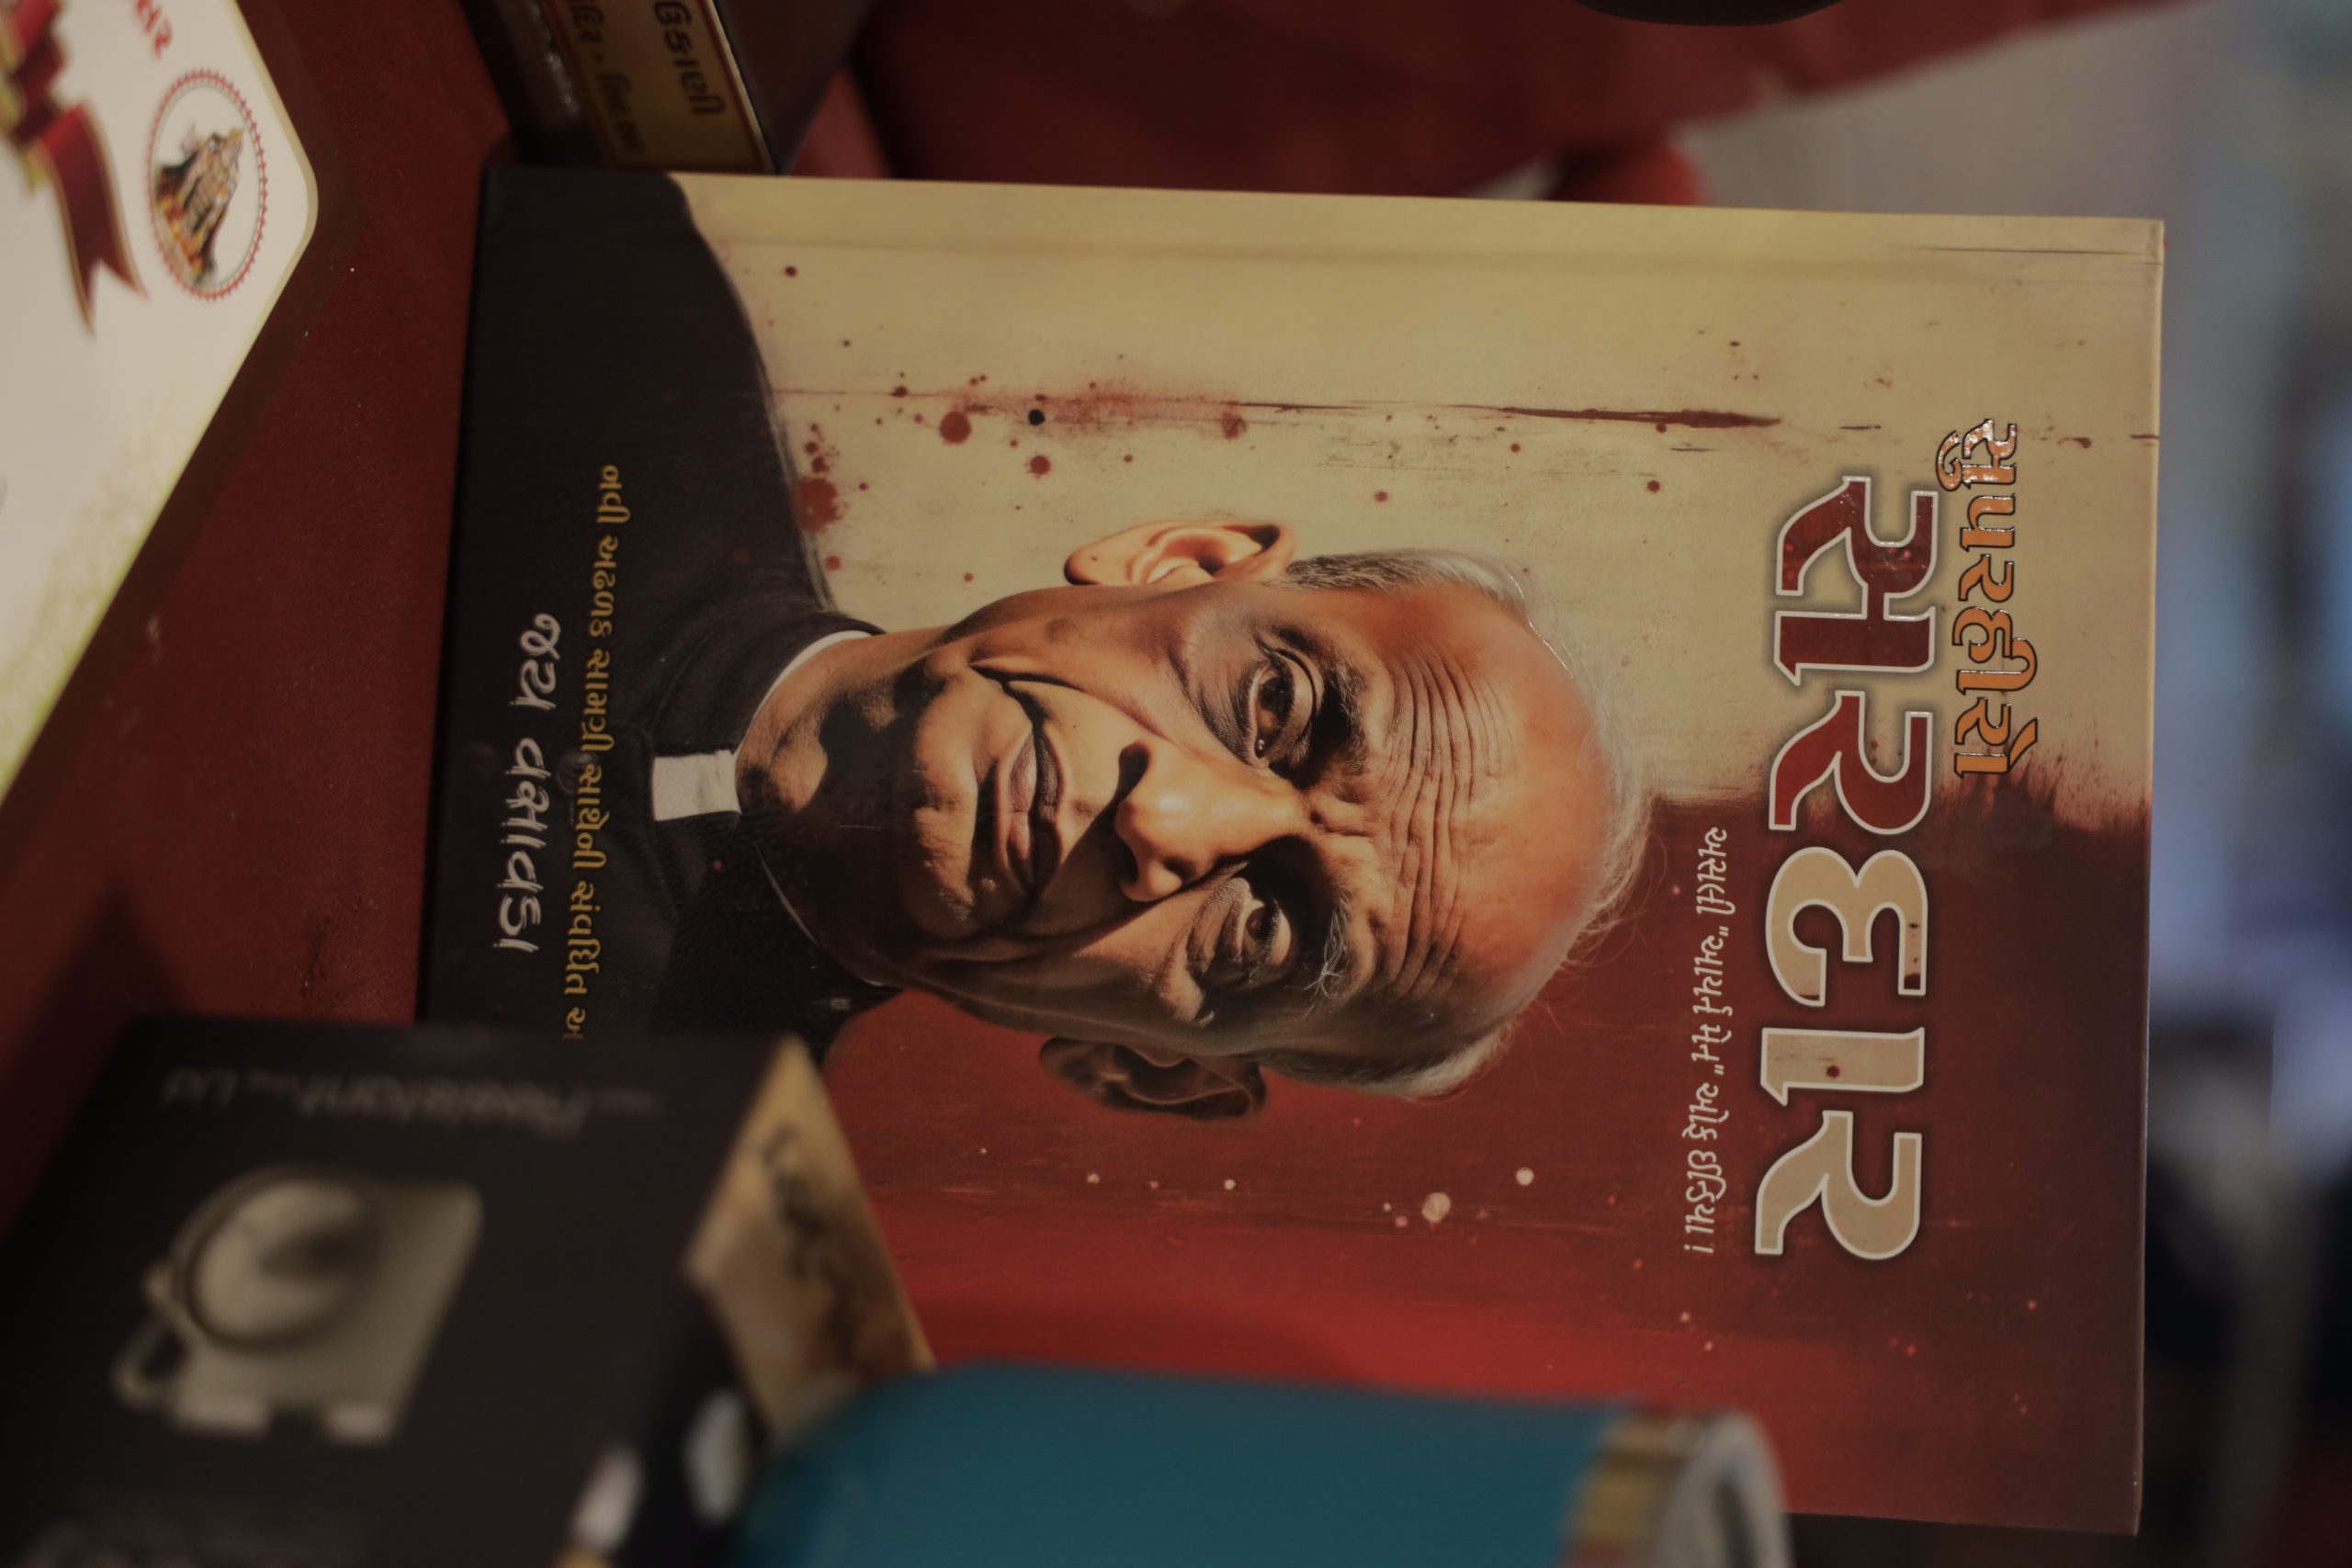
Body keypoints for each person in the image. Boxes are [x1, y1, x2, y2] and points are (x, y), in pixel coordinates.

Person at [431, 172, 1644, 1118]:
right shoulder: (601, 315)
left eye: (1268, 928)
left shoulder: (589, 1204)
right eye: (1274, 708)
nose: (1168, 821)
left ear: (1150, 1069)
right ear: (1177, 559)